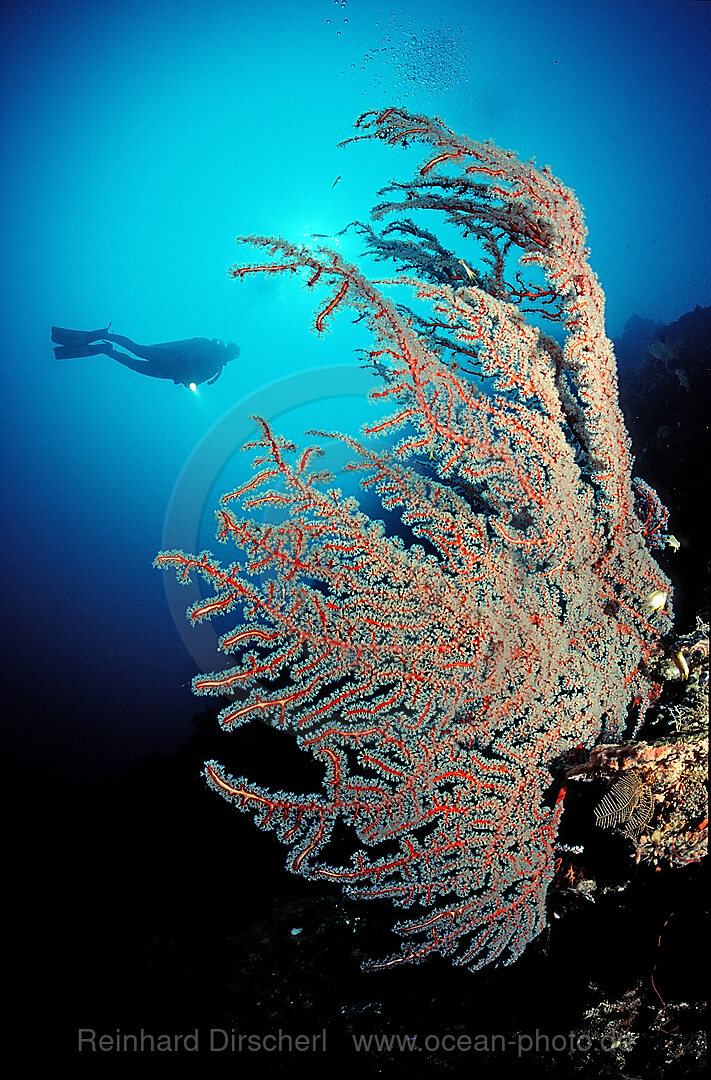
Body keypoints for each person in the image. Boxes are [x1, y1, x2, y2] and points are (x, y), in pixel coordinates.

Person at [51, 326, 239, 388]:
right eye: (230, 354)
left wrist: (188, 381)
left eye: (231, 358)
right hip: (171, 358)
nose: (228, 358)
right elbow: (188, 351)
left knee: (134, 364)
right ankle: (104, 335)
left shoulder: (215, 369)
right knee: (137, 350)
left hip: (170, 372)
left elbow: (195, 383)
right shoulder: (209, 348)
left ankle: (105, 350)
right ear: (228, 350)